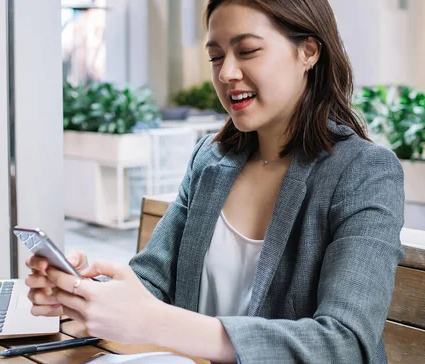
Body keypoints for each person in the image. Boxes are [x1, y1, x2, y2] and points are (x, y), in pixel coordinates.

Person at [25, 0, 404, 362]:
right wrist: (82, 293)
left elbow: (345, 343)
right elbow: (153, 280)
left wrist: (154, 321)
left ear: (308, 52)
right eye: (216, 56)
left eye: (248, 50)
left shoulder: (364, 172)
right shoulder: (211, 158)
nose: (226, 74)